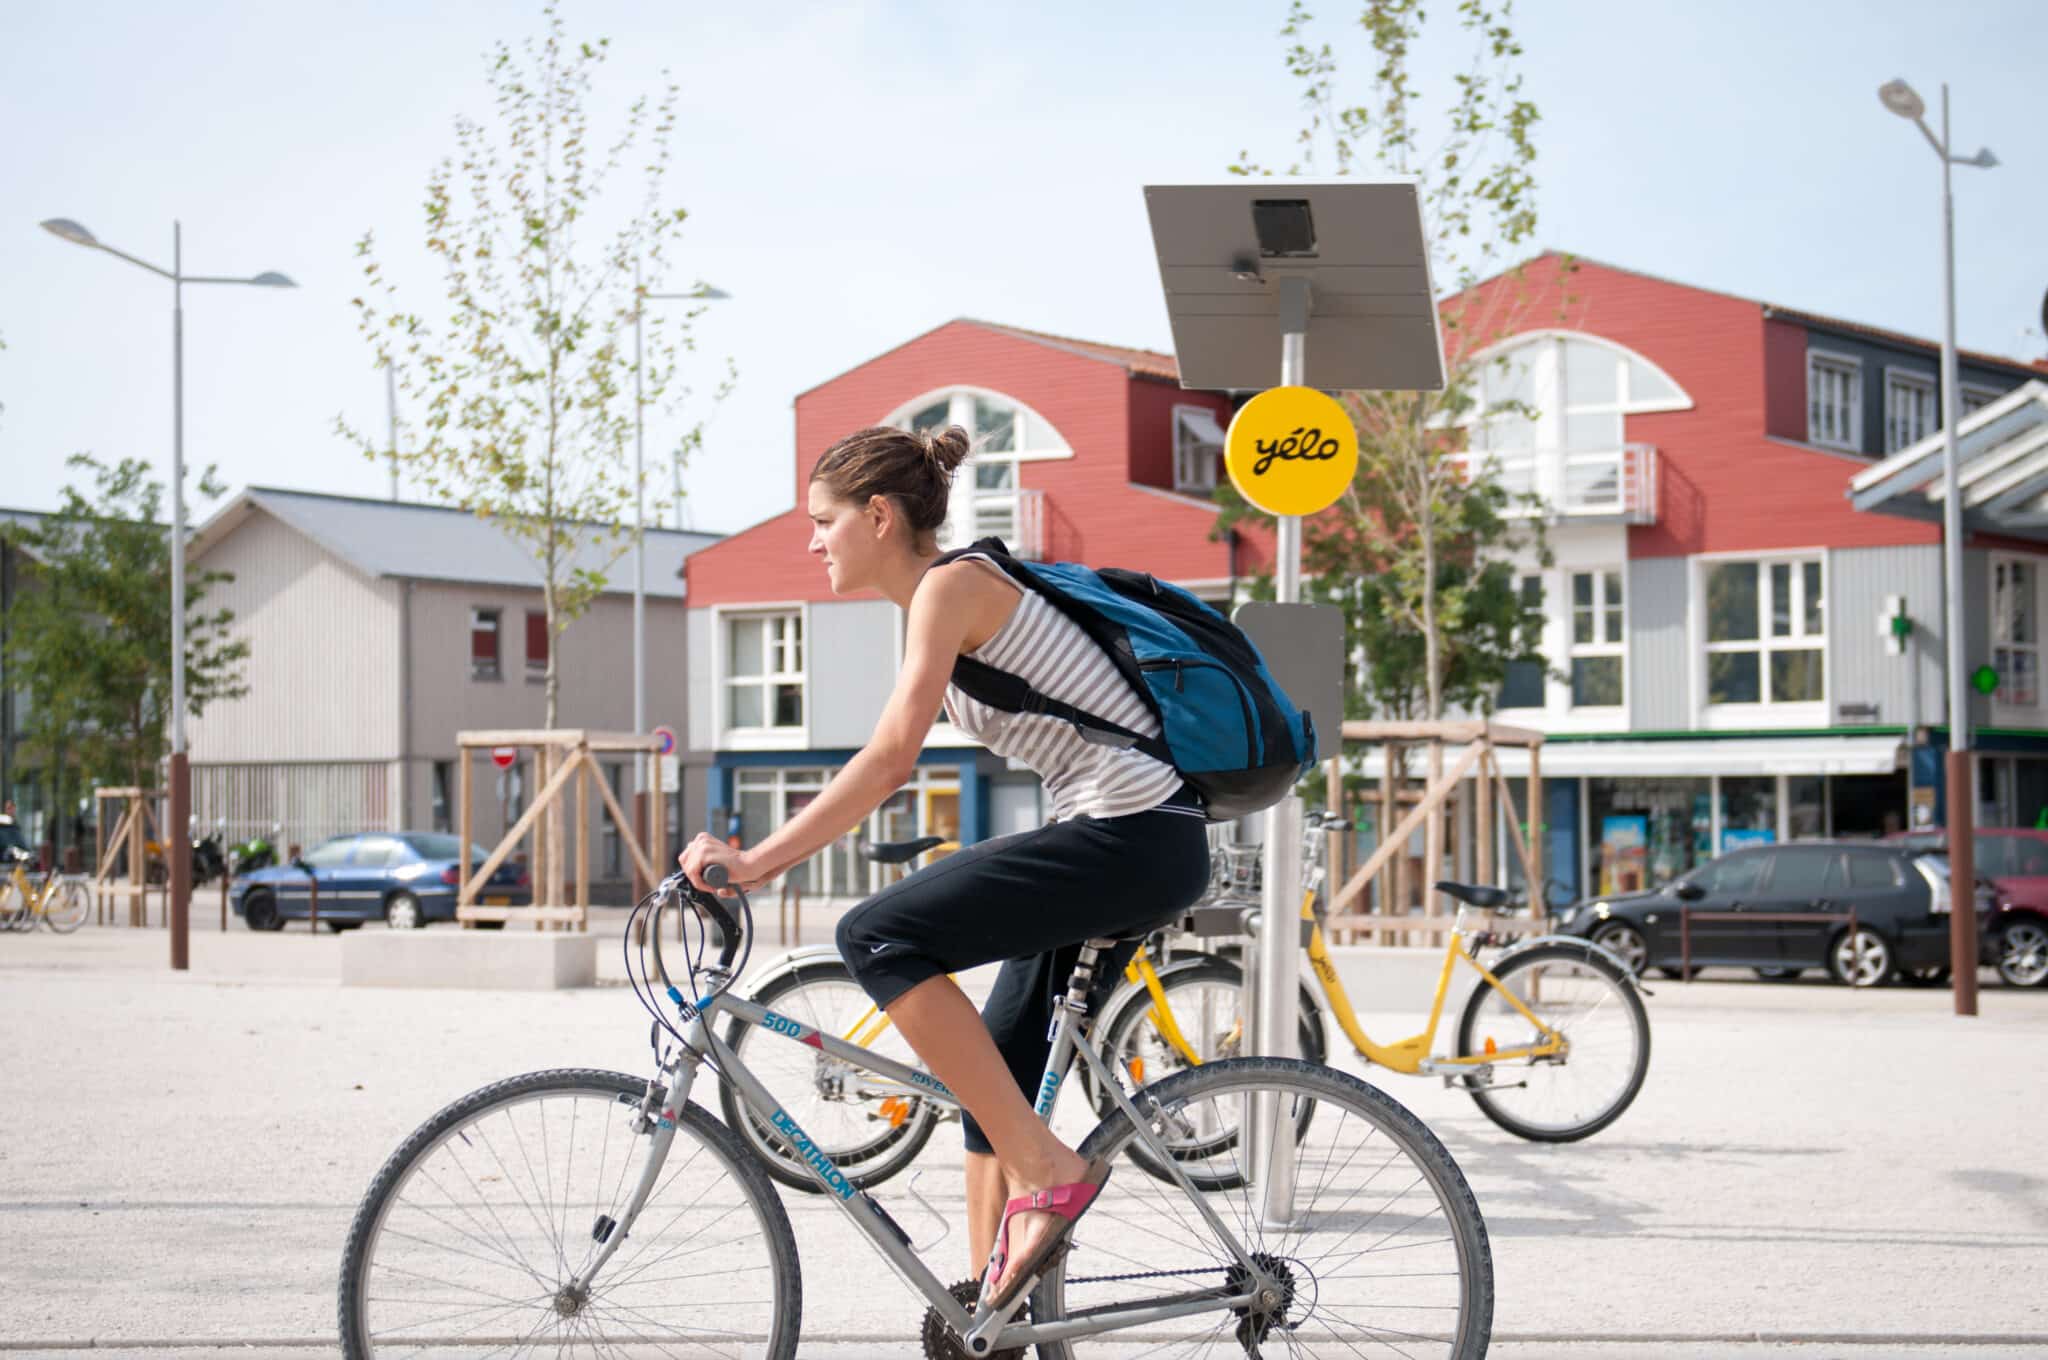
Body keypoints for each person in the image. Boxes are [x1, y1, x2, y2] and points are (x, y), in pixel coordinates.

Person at [679, 423, 1210, 1309]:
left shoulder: (952, 587)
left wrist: (758, 861)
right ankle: (985, 1314)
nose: (812, 541)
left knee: (875, 933)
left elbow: (890, 759)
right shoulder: (947, 596)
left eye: (824, 520)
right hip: (1135, 837)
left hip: (1132, 834)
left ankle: (1048, 1170)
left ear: (879, 515)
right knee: (989, 1069)